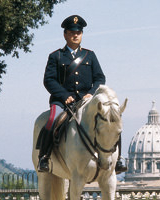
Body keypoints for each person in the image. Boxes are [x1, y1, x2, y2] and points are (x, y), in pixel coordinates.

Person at [38, 15, 127, 174]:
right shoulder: (56, 56)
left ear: (81, 34)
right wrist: (64, 95)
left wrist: (91, 94)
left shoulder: (90, 55)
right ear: (65, 34)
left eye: (78, 32)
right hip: (63, 101)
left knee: (112, 119)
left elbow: (100, 77)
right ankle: (44, 157)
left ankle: (118, 159)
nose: (75, 35)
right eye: (72, 32)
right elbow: (49, 80)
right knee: (52, 119)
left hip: (87, 101)